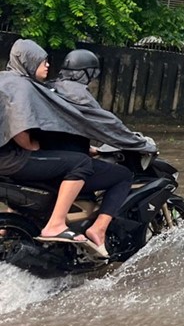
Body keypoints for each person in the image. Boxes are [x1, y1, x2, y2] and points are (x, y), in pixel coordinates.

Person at [0, 40, 133, 257]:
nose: (47, 66)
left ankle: (10, 226)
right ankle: (64, 226)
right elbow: (19, 123)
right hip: (13, 159)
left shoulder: (13, 81)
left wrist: (87, 147)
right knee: (83, 164)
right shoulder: (23, 85)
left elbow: (55, 126)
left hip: (7, 159)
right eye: (43, 62)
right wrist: (30, 145)